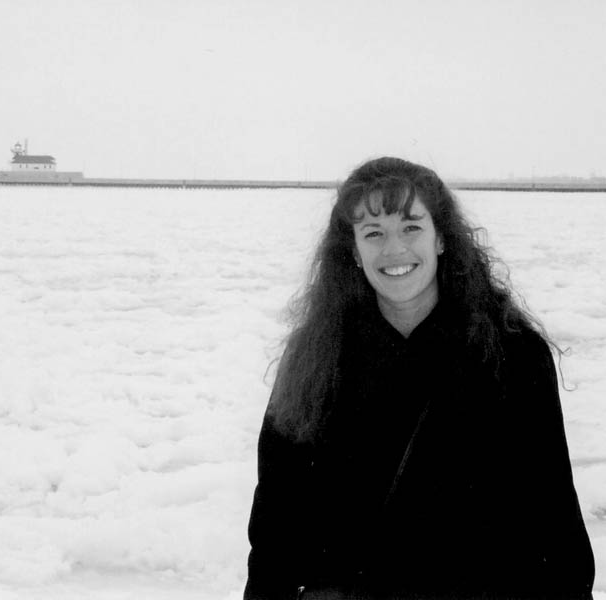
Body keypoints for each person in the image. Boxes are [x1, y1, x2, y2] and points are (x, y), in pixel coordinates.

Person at [244, 157, 595, 600]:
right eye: (374, 233)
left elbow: (553, 521)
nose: (395, 249)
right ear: (353, 251)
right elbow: (276, 525)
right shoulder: (315, 359)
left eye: (411, 227)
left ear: (441, 238)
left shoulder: (512, 354)